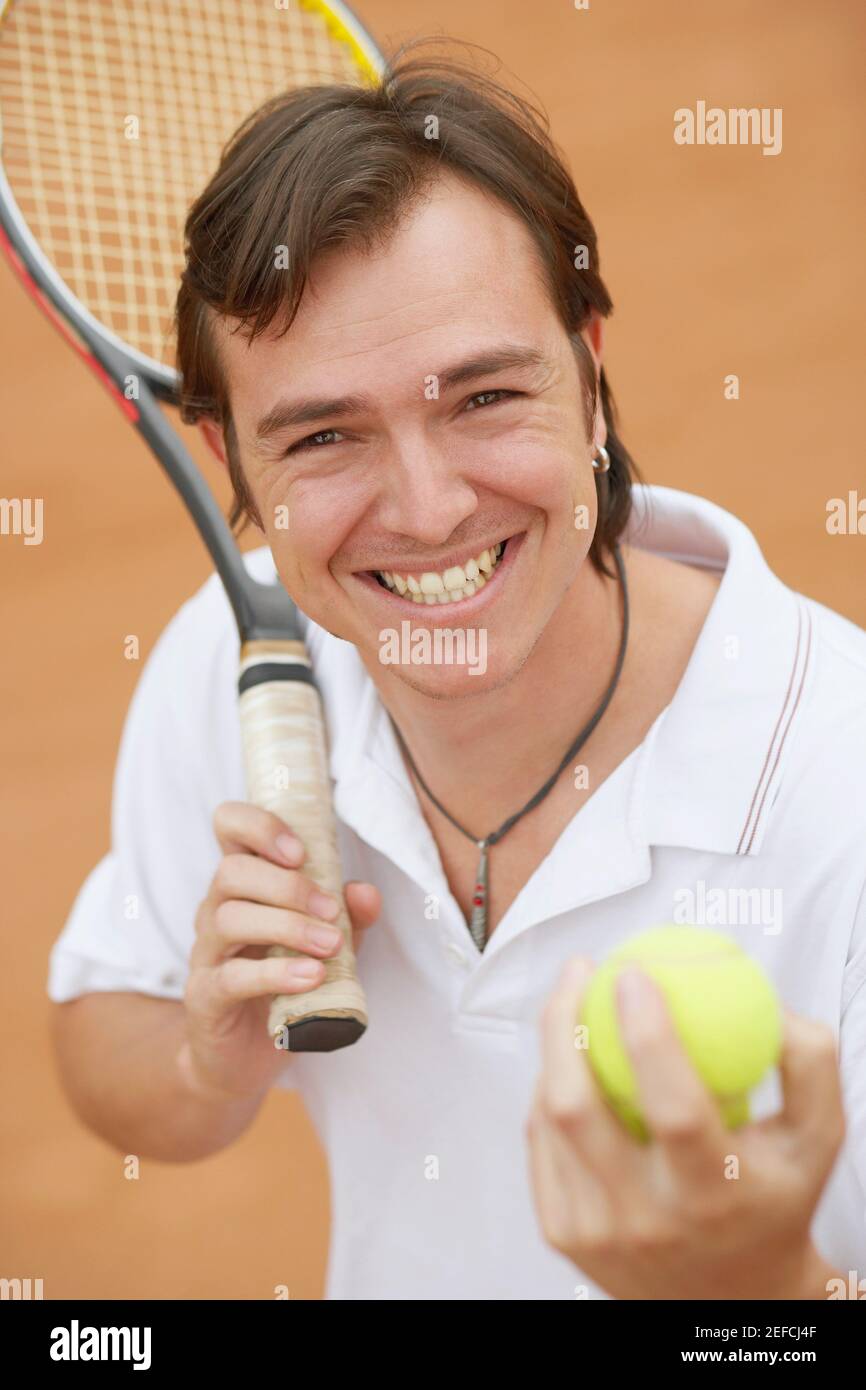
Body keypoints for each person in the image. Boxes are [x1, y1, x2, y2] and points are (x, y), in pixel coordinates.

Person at [48, 48, 865, 1300]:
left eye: (483, 397)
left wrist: (762, 1293)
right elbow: (108, 1031)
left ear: (590, 377)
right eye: (324, 436)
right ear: (230, 460)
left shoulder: (840, 796)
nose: (427, 509)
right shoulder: (238, 665)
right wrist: (210, 1057)